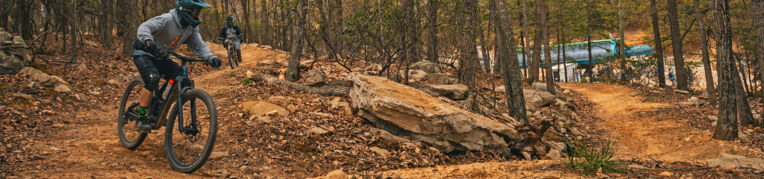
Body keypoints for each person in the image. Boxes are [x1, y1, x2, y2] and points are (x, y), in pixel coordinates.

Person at [131, 0, 222, 131]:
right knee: (152, 78)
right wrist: (148, 41)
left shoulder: (191, 28)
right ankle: (141, 118)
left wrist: (211, 57)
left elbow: (199, 46)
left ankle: (159, 106)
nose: (198, 16)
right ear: (185, 11)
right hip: (145, 53)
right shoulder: (167, 19)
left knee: (181, 80)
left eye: (199, 12)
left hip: (162, 57)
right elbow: (144, 28)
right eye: (196, 12)